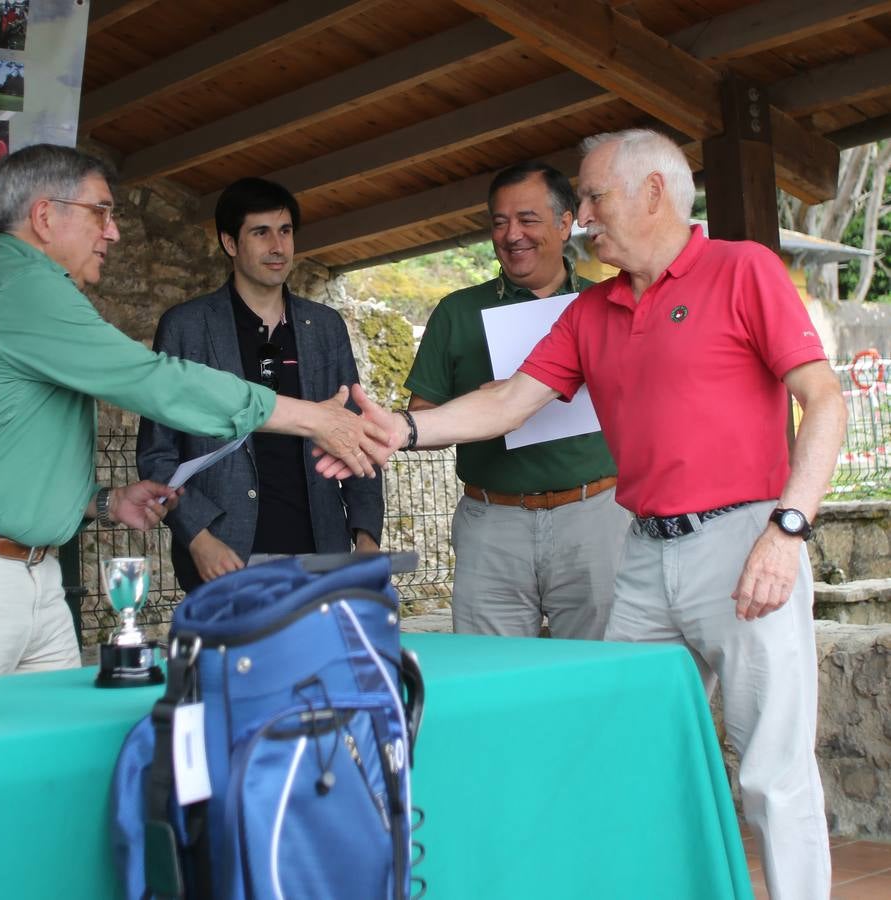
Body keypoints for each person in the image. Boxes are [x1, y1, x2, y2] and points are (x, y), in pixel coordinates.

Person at [331, 129, 845, 900]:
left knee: (771, 770)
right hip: (644, 552)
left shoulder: (742, 269)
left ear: (652, 193)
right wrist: (400, 431)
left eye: (593, 197)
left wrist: (788, 528)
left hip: (746, 542)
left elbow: (823, 401)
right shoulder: (592, 308)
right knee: (618, 747)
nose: (580, 219)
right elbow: (510, 400)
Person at [0, 144, 389, 689]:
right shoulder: (17, 287)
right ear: (45, 216)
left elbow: (10, 447)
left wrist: (103, 502)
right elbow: (151, 380)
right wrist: (310, 417)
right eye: (101, 212)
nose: (112, 232)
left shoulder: (27, 289)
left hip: (18, 573)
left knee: (42, 763)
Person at [405, 161, 628, 638]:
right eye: (500, 222)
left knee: (602, 676)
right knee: (492, 679)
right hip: (492, 521)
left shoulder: (608, 304)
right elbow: (420, 422)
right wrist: (486, 404)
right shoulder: (456, 312)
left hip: (595, 515)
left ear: (565, 222)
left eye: (527, 220)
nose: (512, 235)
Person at [137, 178, 383, 591]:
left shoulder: (325, 327)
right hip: (224, 553)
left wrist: (366, 537)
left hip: (321, 550)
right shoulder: (186, 327)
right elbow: (159, 454)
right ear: (230, 243)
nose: (278, 246)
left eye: (285, 231)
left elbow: (359, 436)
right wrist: (198, 538)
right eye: (261, 232)